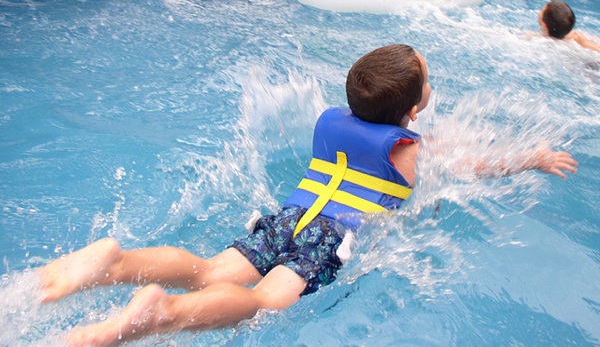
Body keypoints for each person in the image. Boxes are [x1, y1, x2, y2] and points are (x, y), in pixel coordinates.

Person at [38, 44, 578, 347]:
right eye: (427, 83)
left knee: (208, 268)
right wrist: (532, 158)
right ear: (413, 111)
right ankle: (163, 312)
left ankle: (117, 261)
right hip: (329, 234)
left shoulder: (333, 119)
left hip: (290, 217)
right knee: (263, 301)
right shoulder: (407, 146)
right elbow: (475, 163)